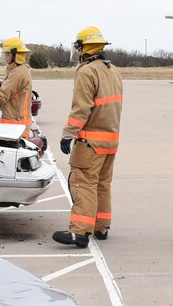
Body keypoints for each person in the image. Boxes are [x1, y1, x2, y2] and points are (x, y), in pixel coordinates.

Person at [53, 27, 123, 248]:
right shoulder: (113, 71)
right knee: (102, 184)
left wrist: (68, 134)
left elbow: (81, 109)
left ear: (84, 48)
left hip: (90, 142)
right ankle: (101, 226)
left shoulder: (87, 72)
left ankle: (80, 231)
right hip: (110, 141)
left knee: (83, 183)